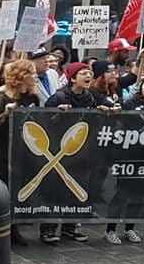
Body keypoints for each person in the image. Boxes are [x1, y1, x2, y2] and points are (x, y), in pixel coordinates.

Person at [40, 63, 108, 244]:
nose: (88, 76)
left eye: (90, 73)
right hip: (59, 152)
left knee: (77, 191)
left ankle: (70, 227)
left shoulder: (91, 98)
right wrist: (58, 115)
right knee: (55, 191)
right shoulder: (58, 97)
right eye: (83, 73)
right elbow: (44, 123)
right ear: (72, 78)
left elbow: (111, 108)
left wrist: (105, 111)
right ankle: (48, 229)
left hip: (82, 151)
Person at [105, 76, 144, 245]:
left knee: (139, 195)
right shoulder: (129, 105)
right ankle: (110, 229)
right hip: (129, 157)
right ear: (141, 88)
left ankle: (129, 228)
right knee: (122, 193)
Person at [0, 60, 40, 246]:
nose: (35, 77)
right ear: (22, 76)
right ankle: (0, 230)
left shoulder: (33, 98)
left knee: (17, 189)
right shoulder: (2, 98)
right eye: (31, 73)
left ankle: (13, 228)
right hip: (1, 151)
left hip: (22, 148)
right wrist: (6, 115)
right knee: (3, 189)